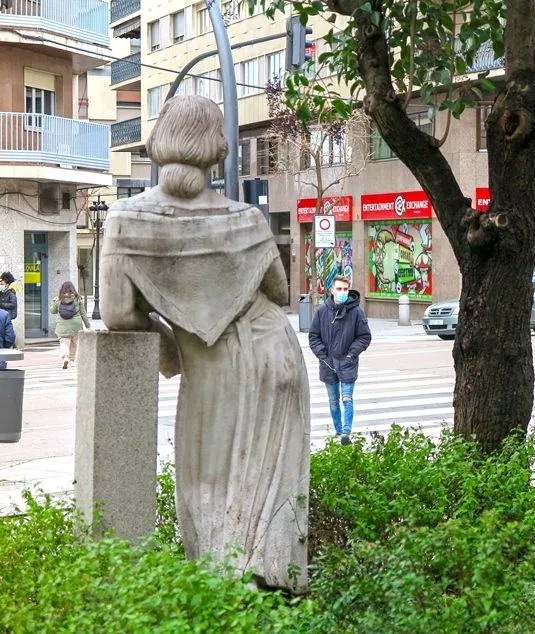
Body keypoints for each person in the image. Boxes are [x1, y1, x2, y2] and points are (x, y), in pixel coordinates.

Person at [99, 95, 310, 593]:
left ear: (159, 144)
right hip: (273, 355)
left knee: (207, 483)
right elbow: (279, 292)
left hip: (209, 369)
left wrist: (174, 351)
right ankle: (273, 590)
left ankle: (220, 596)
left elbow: (117, 315)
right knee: (269, 485)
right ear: (217, 149)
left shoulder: (126, 221)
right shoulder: (248, 221)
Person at [309, 275, 372, 446]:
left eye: (345, 289)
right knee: (333, 401)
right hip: (328, 363)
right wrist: (322, 355)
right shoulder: (322, 312)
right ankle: (338, 432)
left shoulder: (356, 312)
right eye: (339, 289)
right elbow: (314, 337)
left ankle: (346, 432)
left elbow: (364, 336)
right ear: (332, 290)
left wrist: (352, 354)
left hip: (347, 363)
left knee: (347, 399)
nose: (343, 292)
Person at [50, 281, 90, 369]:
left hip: (63, 325)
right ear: (73, 289)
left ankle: (66, 357)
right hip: (76, 325)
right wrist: (88, 326)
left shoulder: (58, 299)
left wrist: (53, 302)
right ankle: (72, 361)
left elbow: (53, 311)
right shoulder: (78, 299)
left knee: (64, 343)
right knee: (74, 343)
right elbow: (83, 313)